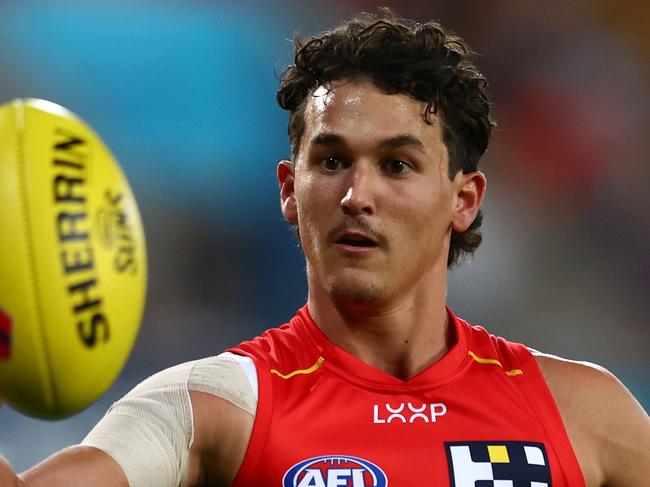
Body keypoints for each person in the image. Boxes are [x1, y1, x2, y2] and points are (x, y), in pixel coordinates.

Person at [1, 9, 649, 487]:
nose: (357, 194)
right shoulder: (216, 406)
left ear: (465, 199)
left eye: (397, 165)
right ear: (289, 189)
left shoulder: (579, 410)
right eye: (332, 159)